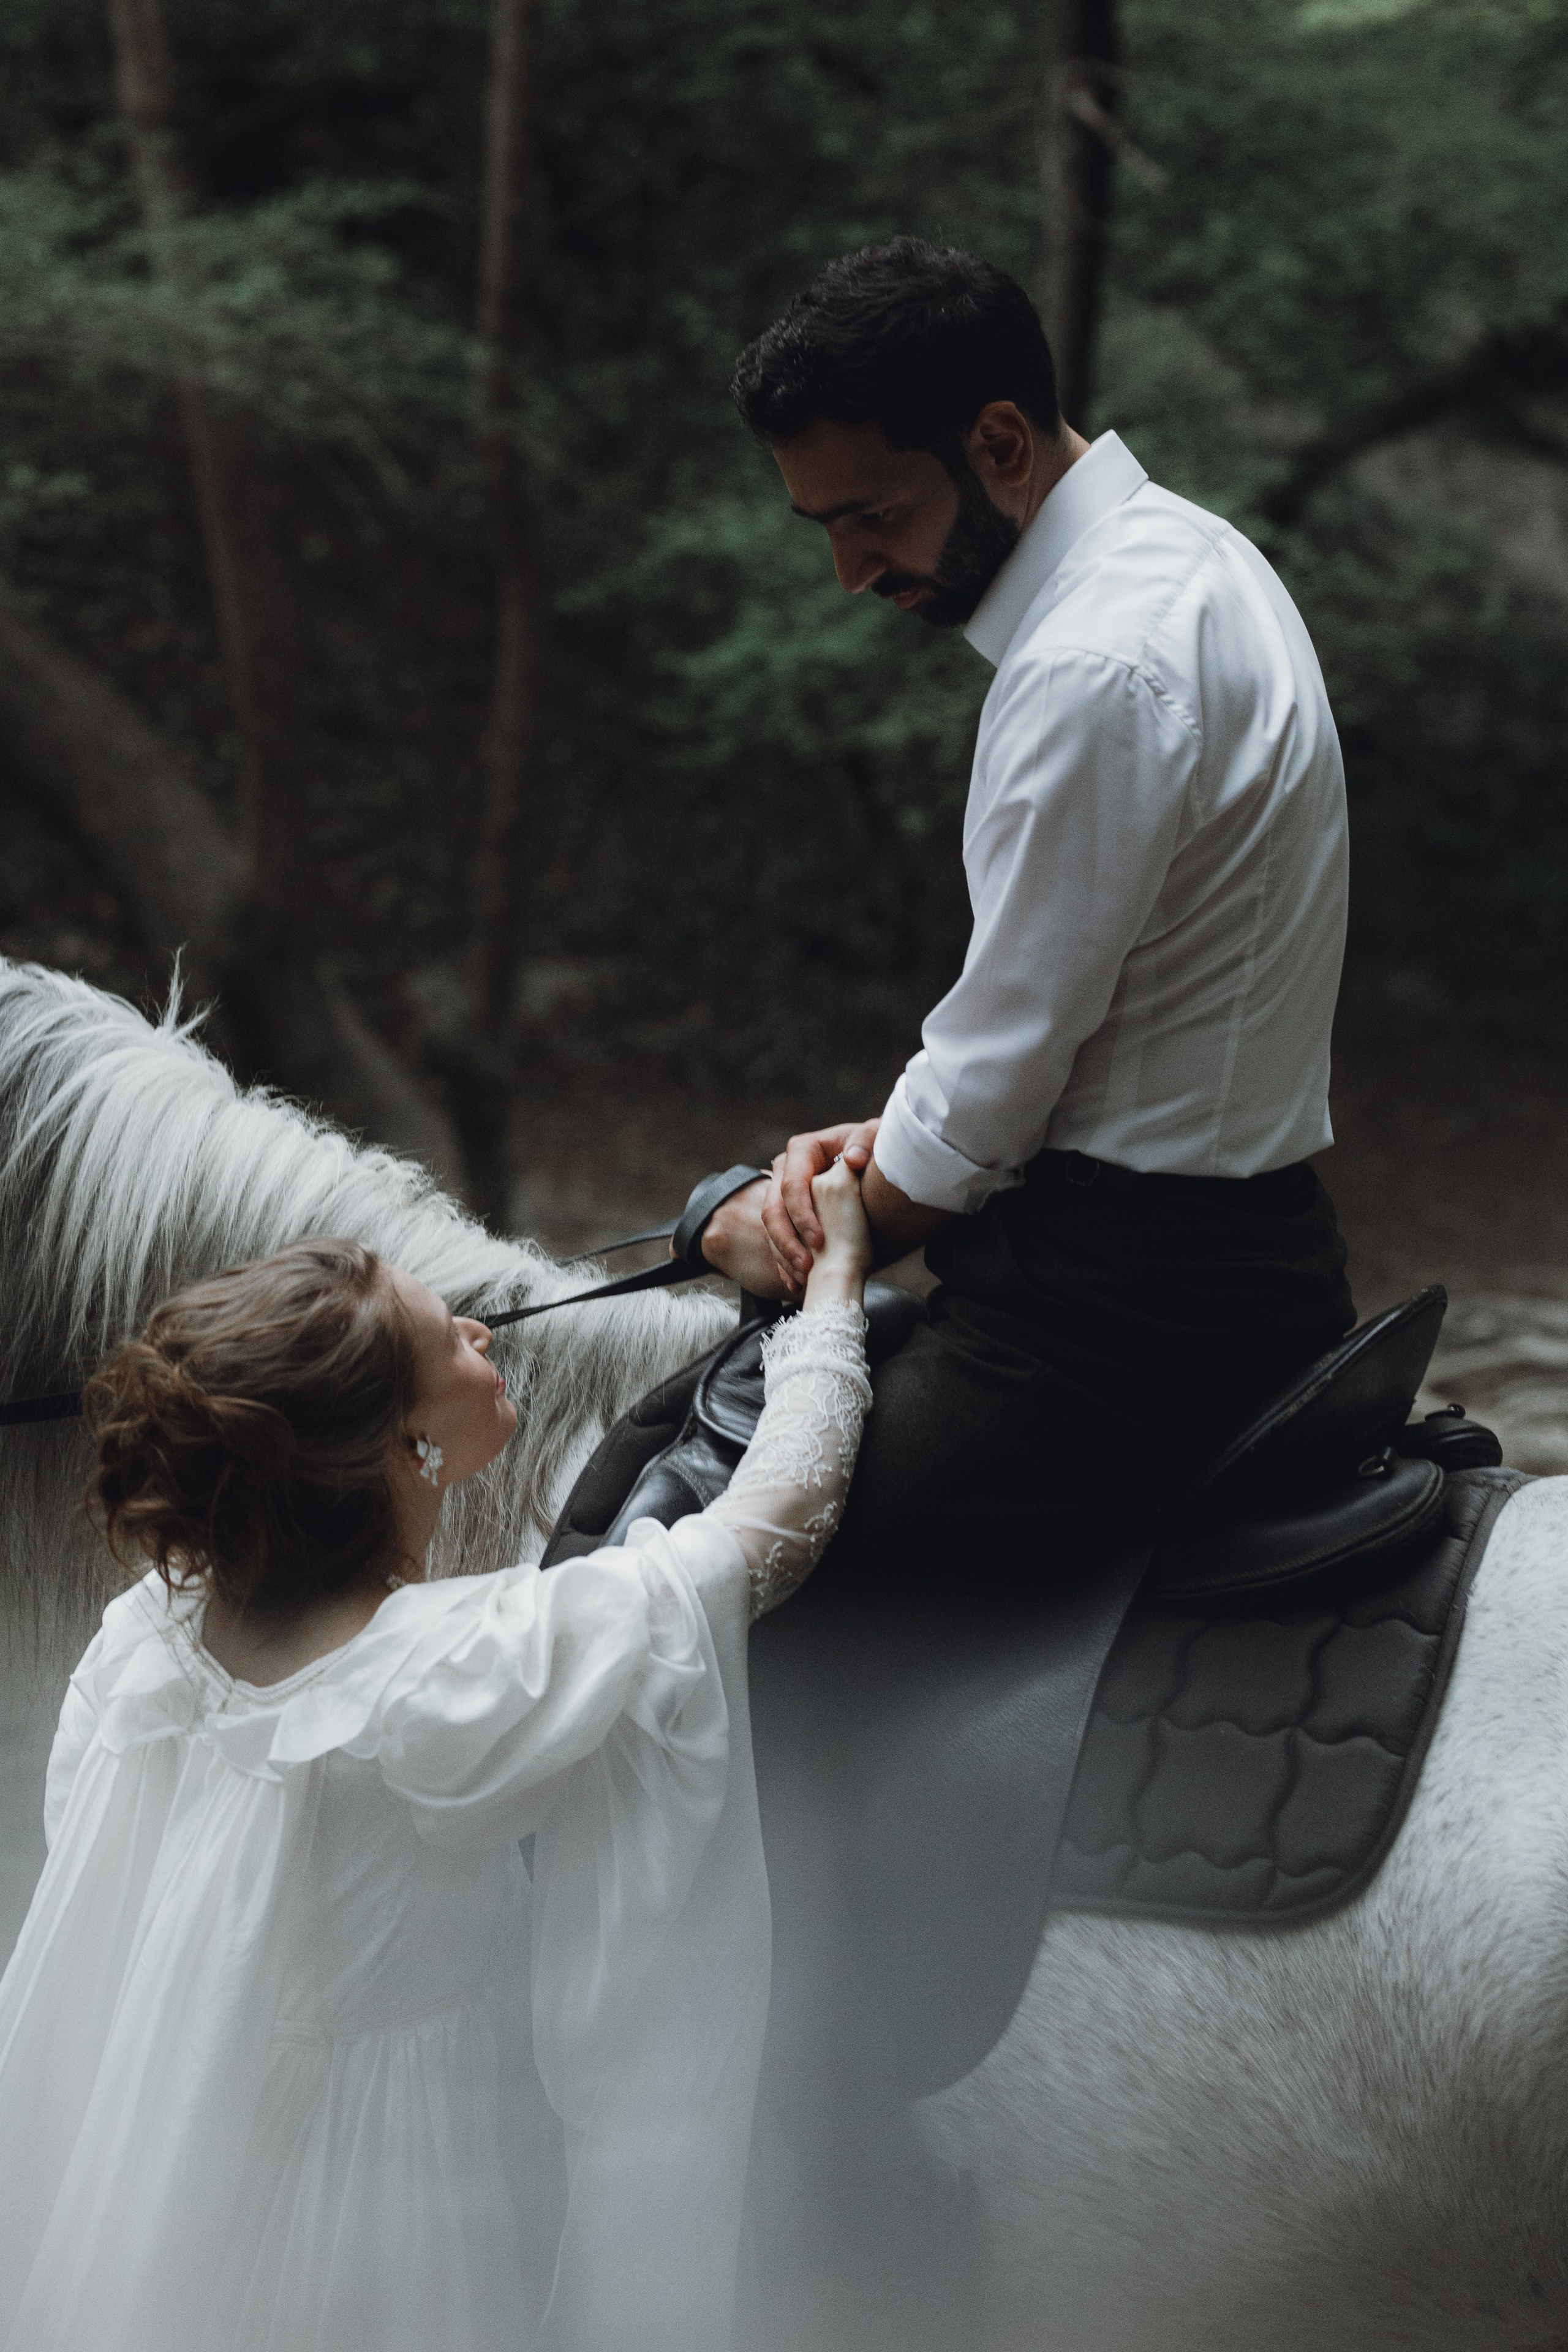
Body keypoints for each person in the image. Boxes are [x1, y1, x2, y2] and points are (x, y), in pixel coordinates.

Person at [0, 1168, 873, 2352]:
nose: (481, 1332)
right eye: (445, 1340)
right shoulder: (440, 1674)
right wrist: (835, 1287)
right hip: (370, 2206)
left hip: (162, 2147)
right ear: (404, 1445)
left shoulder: (143, 1639)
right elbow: (771, 1526)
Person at [704, 236, 1355, 1583]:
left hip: (1118, 1328)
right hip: (1235, 1256)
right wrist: (886, 1147)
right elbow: (1095, 1038)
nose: (851, 572)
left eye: (873, 517)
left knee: (696, 1556)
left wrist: (786, 1224)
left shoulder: (1090, 667)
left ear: (998, 443)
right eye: (826, 530)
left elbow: (994, 1086)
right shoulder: (1194, 554)